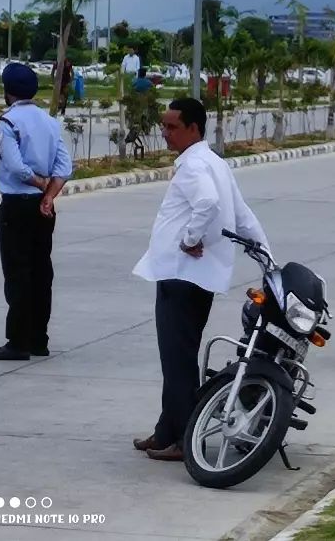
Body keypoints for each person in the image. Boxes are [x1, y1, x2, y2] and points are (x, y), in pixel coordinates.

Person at [132, 97, 269, 462]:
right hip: (197, 278)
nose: (165, 133)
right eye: (163, 126)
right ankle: (166, 431)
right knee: (180, 357)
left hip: (180, 275)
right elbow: (243, 216)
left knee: (176, 362)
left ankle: (182, 441)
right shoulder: (215, 162)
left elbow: (207, 204)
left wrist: (189, 239)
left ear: (194, 128)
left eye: (172, 127)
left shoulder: (194, 166)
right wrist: (267, 257)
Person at [0, 63, 72, 361]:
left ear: (7, 91)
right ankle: (38, 339)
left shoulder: (6, 122)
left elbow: (16, 167)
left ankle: (17, 342)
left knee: (17, 273)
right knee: (41, 271)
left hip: (17, 206)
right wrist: (48, 196)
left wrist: (38, 182)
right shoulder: (49, 121)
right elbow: (64, 167)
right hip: (43, 207)